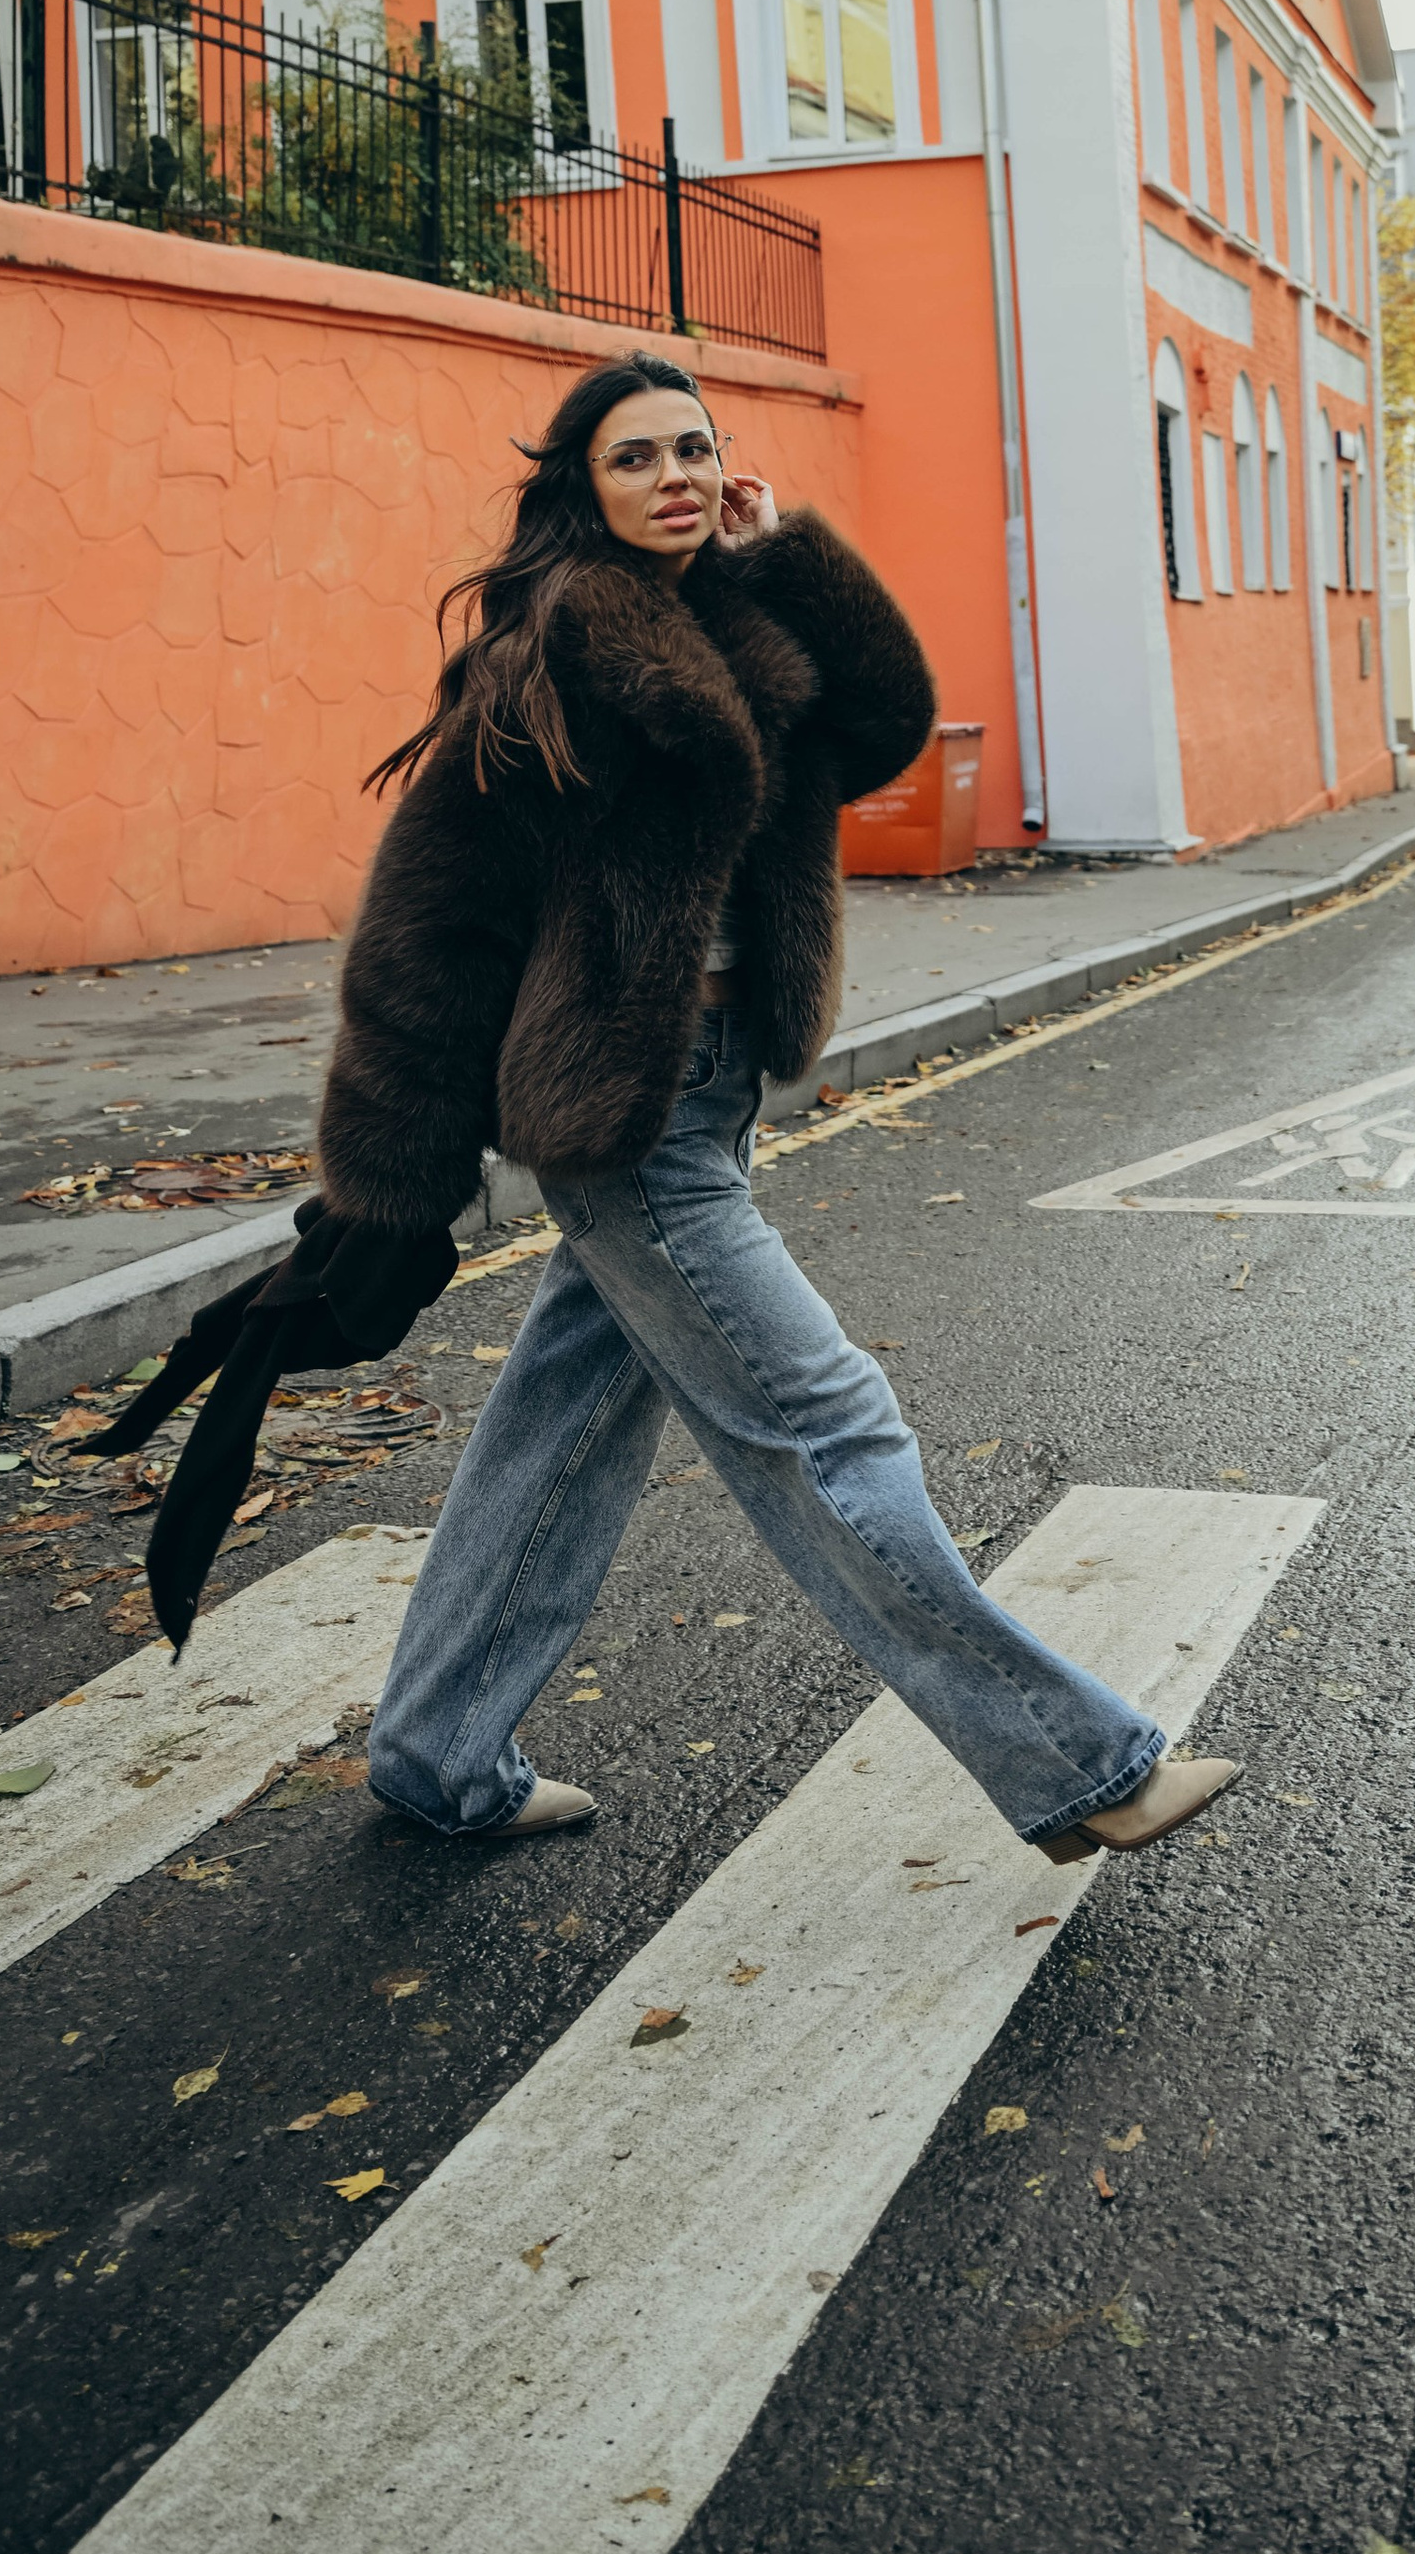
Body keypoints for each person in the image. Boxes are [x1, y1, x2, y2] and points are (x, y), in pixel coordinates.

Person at [109, 353, 1235, 1865]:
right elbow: (425, 927)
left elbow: (890, 727)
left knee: (561, 1431)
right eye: (636, 458)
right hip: (620, 1117)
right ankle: (1082, 1765)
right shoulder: (554, 660)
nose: (676, 477)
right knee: (824, 1426)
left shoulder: (739, 623)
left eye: (696, 450)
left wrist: (793, 560)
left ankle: (440, 1757)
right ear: (583, 488)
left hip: (706, 1097)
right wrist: (392, 1173)